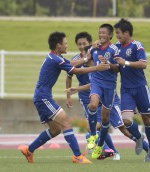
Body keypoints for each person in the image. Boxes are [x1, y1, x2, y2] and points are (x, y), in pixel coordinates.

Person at [20, 31, 109, 164]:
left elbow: (72, 64)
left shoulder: (55, 58)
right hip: (43, 98)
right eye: (65, 43)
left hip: (41, 97)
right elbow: (76, 70)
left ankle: (29, 150)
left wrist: (86, 59)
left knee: (55, 130)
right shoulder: (56, 59)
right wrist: (97, 68)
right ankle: (78, 156)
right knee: (66, 122)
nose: (67, 46)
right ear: (58, 45)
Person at [83, 23, 146, 160]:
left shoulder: (114, 49)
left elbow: (118, 68)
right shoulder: (95, 49)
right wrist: (90, 49)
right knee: (92, 104)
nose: (101, 35)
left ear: (110, 35)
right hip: (97, 83)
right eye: (99, 33)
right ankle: (94, 136)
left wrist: (108, 64)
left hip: (110, 87)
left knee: (111, 123)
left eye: (104, 33)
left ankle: (102, 146)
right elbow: (86, 59)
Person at [65, 31, 119, 160]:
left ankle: (104, 146)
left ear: (90, 43)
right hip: (86, 96)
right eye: (79, 44)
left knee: (102, 124)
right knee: (95, 126)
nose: (82, 45)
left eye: (84, 43)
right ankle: (108, 149)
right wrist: (68, 95)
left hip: (101, 92)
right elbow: (69, 75)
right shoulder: (76, 60)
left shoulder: (97, 56)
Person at [114, 18, 150, 162]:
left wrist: (125, 62)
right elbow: (113, 62)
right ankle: (139, 137)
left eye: (118, 33)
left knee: (147, 120)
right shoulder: (116, 47)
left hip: (140, 88)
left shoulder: (137, 46)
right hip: (126, 89)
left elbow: (143, 64)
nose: (117, 36)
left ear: (127, 33)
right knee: (126, 120)